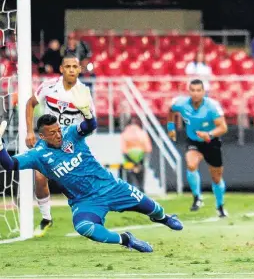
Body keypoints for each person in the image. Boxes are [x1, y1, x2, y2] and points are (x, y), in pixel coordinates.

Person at [0, 85, 183, 252]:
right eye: (52, 133)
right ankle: (126, 240)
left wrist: (87, 113)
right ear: (41, 135)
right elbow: (9, 164)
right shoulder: (37, 155)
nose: (58, 135)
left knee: (154, 208)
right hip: (85, 201)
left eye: (58, 130)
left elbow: (90, 126)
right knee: (83, 227)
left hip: (111, 187)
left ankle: (163, 218)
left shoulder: (70, 133)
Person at [25, 53, 95, 237]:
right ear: (61, 69)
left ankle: (89, 217)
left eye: (75, 67)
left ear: (79, 70)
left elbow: (90, 122)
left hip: (71, 144)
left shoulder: (84, 93)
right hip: (48, 141)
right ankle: (46, 218)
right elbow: (30, 104)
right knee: (40, 178)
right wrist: (30, 131)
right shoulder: (48, 87)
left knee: (77, 185)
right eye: (68, 66)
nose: (71, 70)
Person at [167, 79, 228, 217]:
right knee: (191, 164)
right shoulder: (181, 103)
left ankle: (220, 206)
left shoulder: (212, 107)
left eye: (198, 90)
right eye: (192, 90)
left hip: (211, 142)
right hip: (193, 140)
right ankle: (197, 197)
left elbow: (223, 127)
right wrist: (171, 128)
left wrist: (209, 134)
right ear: (189, 91)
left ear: (203, 91)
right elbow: (171, 110)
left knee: (216, 178)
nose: (195, 93)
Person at [121, 116, 153, 192]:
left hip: (129, 161)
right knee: (141, 184)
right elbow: (148, 149)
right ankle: (143, 200)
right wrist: (139, 163)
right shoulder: (142, 133)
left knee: (130, 184)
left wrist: (133, 163)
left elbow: (124, 151)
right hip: (141, 159)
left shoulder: (125, 133)